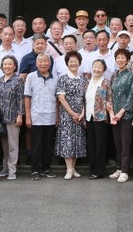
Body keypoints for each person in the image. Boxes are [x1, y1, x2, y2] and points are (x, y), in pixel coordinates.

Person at [24, 54, 58, 180]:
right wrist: (28, 116)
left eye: (45, 61)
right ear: (36, 64)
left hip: (51, 116)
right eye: (40, 61)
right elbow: (27, 97)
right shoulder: (31, 77)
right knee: (36, 145)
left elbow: (58, 99)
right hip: (36, 116)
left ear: (50, 64)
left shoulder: (55, 78)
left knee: (48, 145)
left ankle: (46, 168)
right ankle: (35, 170)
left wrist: (57, 116)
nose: (43, 64)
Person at [55, 51, 88, 180]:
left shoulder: (84, 80)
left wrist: (82, 113)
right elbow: (61, 98)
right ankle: (68, 169)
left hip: (80, 115)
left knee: (77, 141)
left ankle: (73, 169)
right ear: (67, 63)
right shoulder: (63, 79)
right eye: (71, 61)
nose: (73, 63)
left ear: (79, 63)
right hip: (67, 115)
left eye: (75, 61)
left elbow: (86, 98)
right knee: (67, 141)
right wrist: (72, 113)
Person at [0, 55, 25, 180]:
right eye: (5, 64)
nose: (7, 66)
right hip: (1, 118)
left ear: (15, 66)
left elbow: (21, 99)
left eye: (10, 64)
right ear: (2, 66)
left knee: (13, 145)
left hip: (13, 117)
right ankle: (5, 168)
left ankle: (12, 170)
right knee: (5, 146)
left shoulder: (18, 81)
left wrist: (20, 115)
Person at [108, 49, 133, 183]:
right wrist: (112, 113)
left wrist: (121, 112)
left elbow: (131, 96)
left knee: (125, 143)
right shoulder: (114, 75)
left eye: (122, 57)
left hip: (125, 115)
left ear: (127, 60)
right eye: (118, 57)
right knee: (117, 143)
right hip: (114, 115)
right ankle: (119, 168)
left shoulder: (131, 76)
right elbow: (110, 94)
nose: (120, 60)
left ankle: (125, 171)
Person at [84, 59, 112, 180]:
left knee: (100, 144)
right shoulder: (88, 82)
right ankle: (92, 169)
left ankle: (99, 171)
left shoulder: (105, 82)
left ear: (104, 69)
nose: (97, 69)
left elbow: (109, 100)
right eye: (95, 66)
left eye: (100, 67)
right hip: (89, 116)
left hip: (100, 117)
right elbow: (84, 100)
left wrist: (111, 115)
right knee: (91, 144)